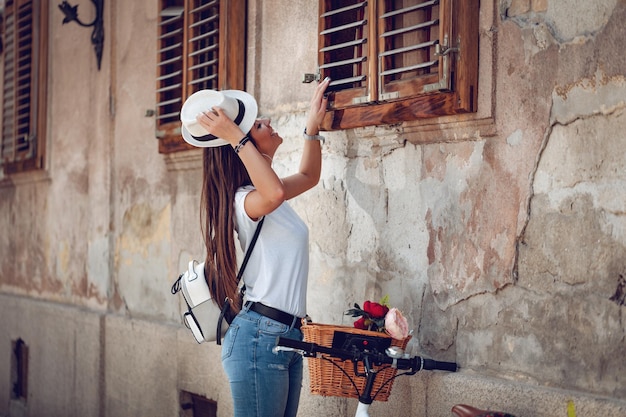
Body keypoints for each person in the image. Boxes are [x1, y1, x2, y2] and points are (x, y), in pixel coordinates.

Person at [180, 76, 331, 417]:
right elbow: (274, 192)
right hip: (259, 340)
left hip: (285, 337)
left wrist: (312, 125)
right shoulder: (245, 201)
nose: (265, 122)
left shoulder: (265, 198)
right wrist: (232, 134)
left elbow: (308, 176)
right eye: (254, 125)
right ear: (242, 145)